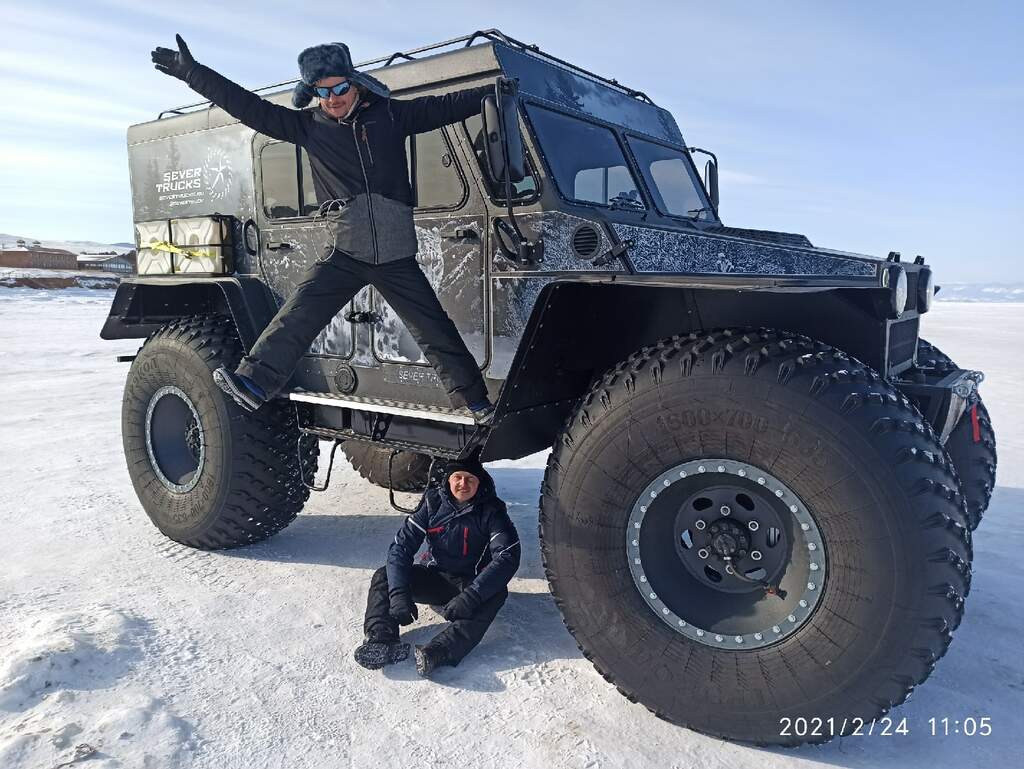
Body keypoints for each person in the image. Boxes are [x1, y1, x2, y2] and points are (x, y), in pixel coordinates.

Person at [151, 36, 496, 422]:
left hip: (396, 255)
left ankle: (475, 402)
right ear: (312, 93)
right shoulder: (307, 127)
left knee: (434, 329)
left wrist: (491, 92)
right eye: (322, 91)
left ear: (354, 83)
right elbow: (246, 106)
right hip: (346, 252)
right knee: (298, 315)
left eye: (339, 88)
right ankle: (253, 382)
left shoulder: (391, 116)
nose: (332, 98)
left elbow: (443, 106)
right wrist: (193, 73)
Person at [355, 457, 520, 676]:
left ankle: (439, 651)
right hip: (437, 578)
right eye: (458, 478)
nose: (463, 484)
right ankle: (381, 638)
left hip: (470, 585)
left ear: (480, 483)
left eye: (470, 479)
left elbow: (507, 556)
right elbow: (400, 548)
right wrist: (398, 594)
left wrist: (472, 596)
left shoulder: (492, 512)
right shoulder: (433, 504)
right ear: (449, 481)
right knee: (384, 576)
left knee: (497, 592)